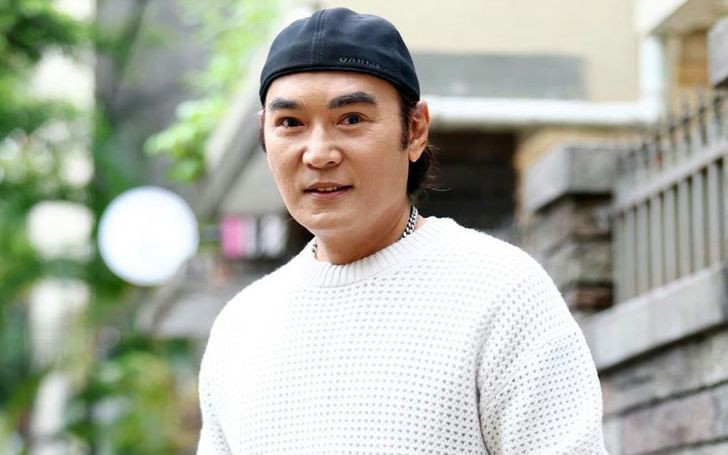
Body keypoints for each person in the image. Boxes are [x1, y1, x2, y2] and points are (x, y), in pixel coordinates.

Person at [197, 7, 608, 454]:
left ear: (414, 130)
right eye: (290, 123)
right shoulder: (240, 328)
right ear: (264, 133)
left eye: (351, 119)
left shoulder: (501, 293)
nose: (318, 153)